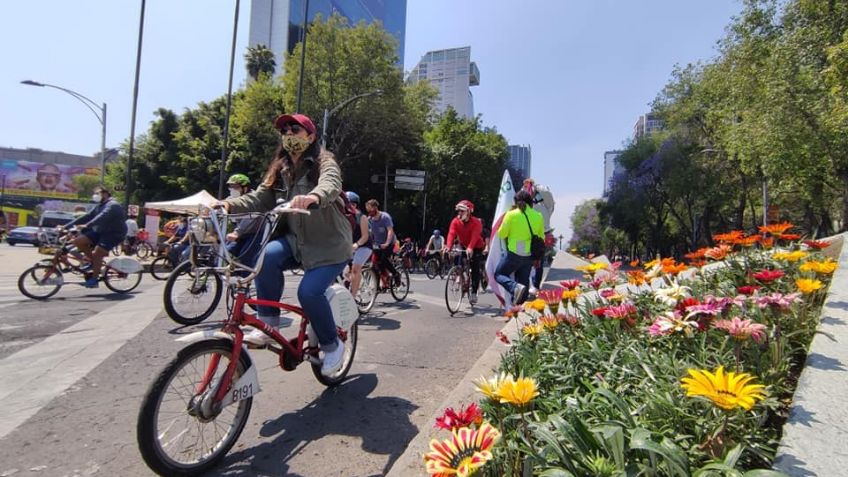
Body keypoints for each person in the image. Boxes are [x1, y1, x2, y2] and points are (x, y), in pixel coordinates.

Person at [218, 113, 351, 377]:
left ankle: (332, 345)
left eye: (296, 129)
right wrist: (226, 204)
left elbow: (331, 183)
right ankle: (267, 324)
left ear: (311, 136)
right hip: (296, 241)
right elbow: (259, 197)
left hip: (329, 245)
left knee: (309, 293)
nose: (289, 134)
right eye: (285, 130)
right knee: (265, 257)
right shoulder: (280, 169)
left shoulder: (324, 161)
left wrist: (314, 195)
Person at [61, 186, 128, 288]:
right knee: (78, 241)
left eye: (97, 193)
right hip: (100, 232)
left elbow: (102, 216)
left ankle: (94, 279)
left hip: (113, 234)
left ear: (105, 194)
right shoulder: (99, 205)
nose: (95, 195)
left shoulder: (113, 205)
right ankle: (93, 262)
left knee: (98, 253)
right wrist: (65, 226)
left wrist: (87, 225)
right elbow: (87, 216)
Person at [495, 190, 544, 305]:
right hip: (529, 256)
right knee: (524, 284)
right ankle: (517, 312)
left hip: (514, 254)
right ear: (530, 201)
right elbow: (542, 237)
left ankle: (514, 287)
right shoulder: (538, 216)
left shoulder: (511, 214)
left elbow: (502, 234)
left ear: (516, 202)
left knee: (499, 274)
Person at [444, 200, 486, 305]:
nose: (459, 213)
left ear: (468, 211)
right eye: (458, 211)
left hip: (476, 246)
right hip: (464, 245)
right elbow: (451, 233)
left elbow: (475, 236)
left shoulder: (476, 222)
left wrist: (471, 248)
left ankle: (474, 292)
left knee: (475, 267)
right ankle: (460, 275)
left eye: (462, 211)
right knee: (458, 260)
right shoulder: (455, 221)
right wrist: (448, 246)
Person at [224, 173, 263, 268]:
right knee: (226, 251)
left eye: (235, 187)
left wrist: (236, 233)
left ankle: (245, 280)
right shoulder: (232, 199)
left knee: (246, 255)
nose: (232, 189)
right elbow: (222, 206)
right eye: (230, 187)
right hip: (242, 234)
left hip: (256, 233)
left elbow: (250, 218)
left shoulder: (253, 199)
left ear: (245, 188)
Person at [365, 199, 400, 286]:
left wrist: (387, 243)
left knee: (383, 260)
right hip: (377, 244)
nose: (369, 212)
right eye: (368, 210)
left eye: (370, 210)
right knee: (375, 264)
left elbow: (390, 231)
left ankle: (396, 274)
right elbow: (369, 233)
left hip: (389, 243)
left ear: (375, 208)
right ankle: (381, 282)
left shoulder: (385, 217)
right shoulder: (370, 219)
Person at [346, 191, 371, 299]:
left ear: (355, 205)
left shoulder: (362, 217)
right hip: (349, 247)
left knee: (356, 268)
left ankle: (352, 297)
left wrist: (357, 244)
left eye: (352, 204)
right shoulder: (342, 217)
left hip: (364, 246)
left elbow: (365, 236)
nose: (348, 206)